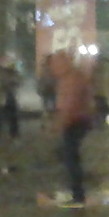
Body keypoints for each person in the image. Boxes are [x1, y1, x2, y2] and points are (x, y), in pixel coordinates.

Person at [42, 48, 92, 205]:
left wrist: (59, 124)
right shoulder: (69, 78)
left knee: (71, 157)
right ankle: (75, 190)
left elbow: (69, 106)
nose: (52, 70)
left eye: (53, 65)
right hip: (75, 120)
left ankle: (78, 193)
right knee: (69, 155)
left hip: (75, 121)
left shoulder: (71, 79)